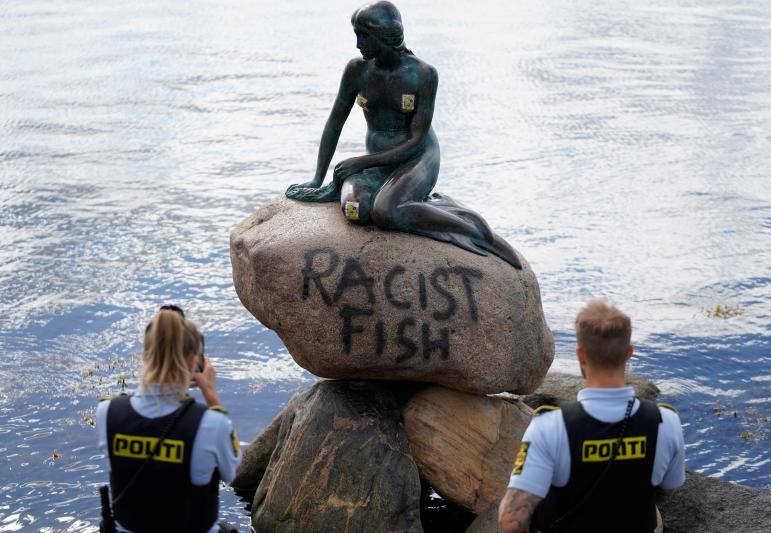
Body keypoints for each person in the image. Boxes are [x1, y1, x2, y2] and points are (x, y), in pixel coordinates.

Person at [285, 1, 521, 269]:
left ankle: (471, 227)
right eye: (356, 34)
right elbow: (334, 123)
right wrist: (318, 178)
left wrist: (360, 163)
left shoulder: (423, 75)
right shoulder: (357, 70)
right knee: (357, 211)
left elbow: (416, 140)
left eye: (364, 35)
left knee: (386, 211)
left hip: (417, 159)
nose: (358, 44)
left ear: (385, 36)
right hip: (377, 163)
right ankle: (414, 204)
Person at [498, 301, 685, 533]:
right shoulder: (666, 423)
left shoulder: (550, 426)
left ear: (581, 356)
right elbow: (666, 489)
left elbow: (511, 520)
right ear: (629, 353)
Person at [96, 305, 241, 532]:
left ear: (144, 357)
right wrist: (211, 396)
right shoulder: (212, 424)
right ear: (194, 363)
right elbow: (234, 473)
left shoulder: (108, 413)